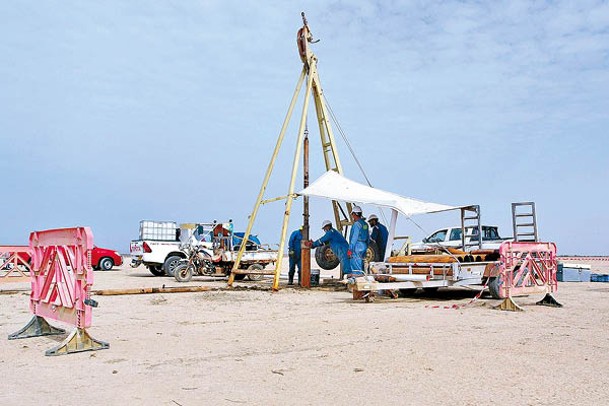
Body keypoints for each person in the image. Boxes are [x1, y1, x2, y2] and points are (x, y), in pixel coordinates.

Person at [348, 205, 369, 276]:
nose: (352, 216)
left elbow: (354, 238)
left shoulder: (357, 224)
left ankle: (357, 281)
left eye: (352, 214)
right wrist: (366, 246)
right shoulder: (365, 224)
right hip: (364, 246)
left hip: (357, 246)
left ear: (354, 214)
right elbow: (368, 236)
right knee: (361, 264)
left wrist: (350, 250)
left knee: (356, 266)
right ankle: (362, 277)